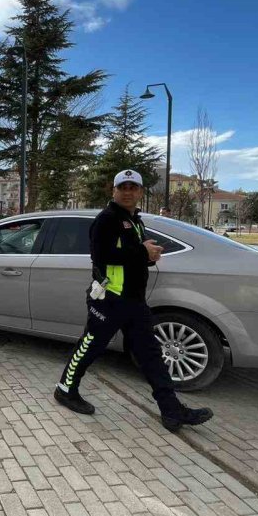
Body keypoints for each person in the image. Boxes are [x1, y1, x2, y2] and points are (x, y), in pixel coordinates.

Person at [53, 169, 213, 433]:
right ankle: (65, 389)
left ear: (140, 192)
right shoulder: (107, 219)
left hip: (134, 301)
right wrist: (141, 251)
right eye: (123, 187)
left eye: (133, 188)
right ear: (114, 191)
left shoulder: (134, 220)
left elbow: (129, 257)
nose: (128, 192)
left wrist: (148, 256)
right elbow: (101, 256)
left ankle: (171, 410)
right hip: (109, 300)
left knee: (151, 354)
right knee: (90, 346)